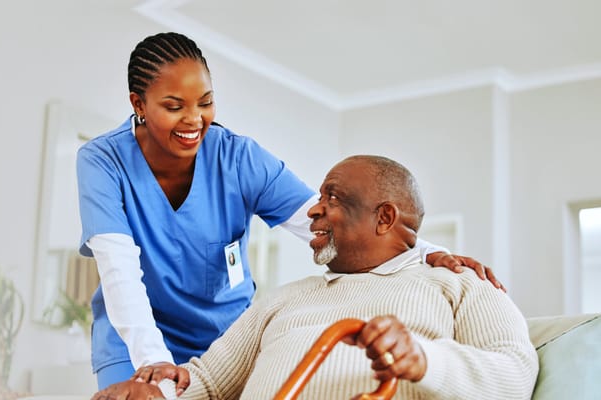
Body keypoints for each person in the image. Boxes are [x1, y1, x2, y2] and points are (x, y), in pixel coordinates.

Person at [76, 32, 501, 389]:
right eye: (174, 106)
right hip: (135, 339)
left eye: (205, 102)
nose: (195, 120)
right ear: (138, 104)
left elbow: (324, 221)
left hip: (224, 343)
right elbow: (119, 272)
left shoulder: (238, 158)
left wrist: (424, 251)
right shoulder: (102, 161)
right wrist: (153, 360)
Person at [92, 155, 538, 400]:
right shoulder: (282, 300)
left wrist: (425, 360)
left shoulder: (460, 283)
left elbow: (516, 376)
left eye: (333, 197)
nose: (313, 209)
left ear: (384, 218)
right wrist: (157, 398)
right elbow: (207, 384)